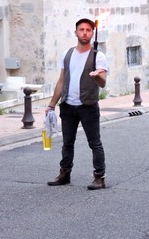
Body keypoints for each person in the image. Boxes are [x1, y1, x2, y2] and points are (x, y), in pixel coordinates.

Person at [46, 18, 109, 190]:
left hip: (88, 106)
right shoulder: (67, 54)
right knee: (67, 143)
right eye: (81, 29)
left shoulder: (98, 56)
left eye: (88, 30)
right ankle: (65, 174)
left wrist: (97, 76)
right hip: (67, 105)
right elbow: (61, 81)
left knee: (94, 143)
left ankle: (99, 177)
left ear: (92, 33)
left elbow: (103, 83)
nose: (85, 33)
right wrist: (52, 104)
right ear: (76, 32)